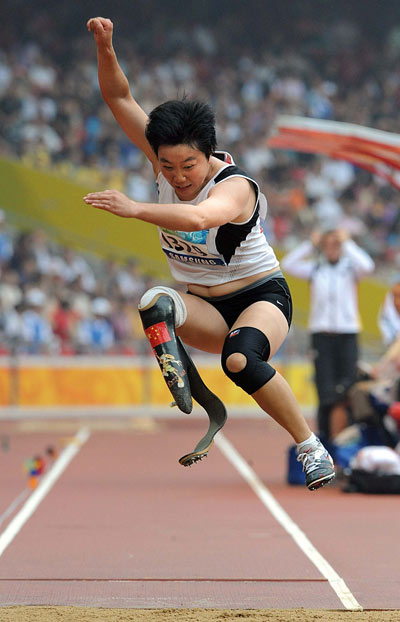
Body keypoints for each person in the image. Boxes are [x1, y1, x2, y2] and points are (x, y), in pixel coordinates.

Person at [84, 16, 335, 490]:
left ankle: (310, 446)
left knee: (239, 361)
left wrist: (136, 209)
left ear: (210, 154)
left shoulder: (236, 188)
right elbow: (119, 98)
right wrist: (106, 45)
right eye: (167, 166)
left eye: (189, 166)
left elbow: (201, 220)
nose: (178, 177)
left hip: (260, 297)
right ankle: (178, 370)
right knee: (154, 300)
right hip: (204, 307)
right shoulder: (164, 160)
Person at [281, 228, 375, 444]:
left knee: (349, 388)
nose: (333, 249)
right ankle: (324, 440)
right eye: (328, 244)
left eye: (337, 245)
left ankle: (346, 441)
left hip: (348, 334)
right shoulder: (315, 268)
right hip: (321, 335)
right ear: (322, 247)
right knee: (325, 389)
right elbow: (288, 264)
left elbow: (368, 265)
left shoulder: (351, 269)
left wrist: (347, 242)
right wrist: (311, 244)